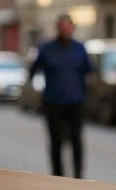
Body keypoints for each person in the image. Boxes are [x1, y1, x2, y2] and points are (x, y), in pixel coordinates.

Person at [29, 13, 91, 178]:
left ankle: (78, 175)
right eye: (62, 27)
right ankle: (58, 175)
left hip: (75, 101)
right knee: (56, 140)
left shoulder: (80, 48)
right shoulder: (46, 49)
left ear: (73, 28)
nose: (66, 30)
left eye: (68, 26)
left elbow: (89, 71)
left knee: (76, 139)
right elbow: (33, 71)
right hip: (53, 101)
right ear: (57, 28)